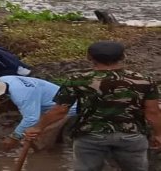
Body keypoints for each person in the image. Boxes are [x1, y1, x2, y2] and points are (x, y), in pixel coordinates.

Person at [26, 41, 161, 171]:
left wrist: (38, 127)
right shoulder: (144, 80)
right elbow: (152, 112)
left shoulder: (77, 80)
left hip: (90, 136)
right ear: (123, 56)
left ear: (89, 57)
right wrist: (158, 134)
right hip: (131, 135)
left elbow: (60, 110)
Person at [0, 77, 77, 151]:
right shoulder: (3, 79)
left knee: (38, 140)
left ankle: (41, 161)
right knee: (41, 135)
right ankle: (58, 145)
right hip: (49, 101)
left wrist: (14, 137)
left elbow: (31, 119)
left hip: (63, 109)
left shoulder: (22, 97)